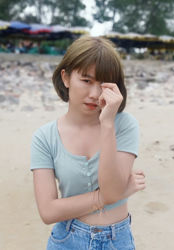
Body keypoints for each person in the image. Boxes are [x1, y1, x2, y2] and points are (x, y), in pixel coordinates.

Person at [30, 35, 145, 250]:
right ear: (66, 78)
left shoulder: (124, 125)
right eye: (86, 80)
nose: (95, 93)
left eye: (104, 84)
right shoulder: (44, 137)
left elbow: (112, 190)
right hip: (66, 239)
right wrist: (110, 195)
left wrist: (108, 124)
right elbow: (48, 212)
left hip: (117, 240)